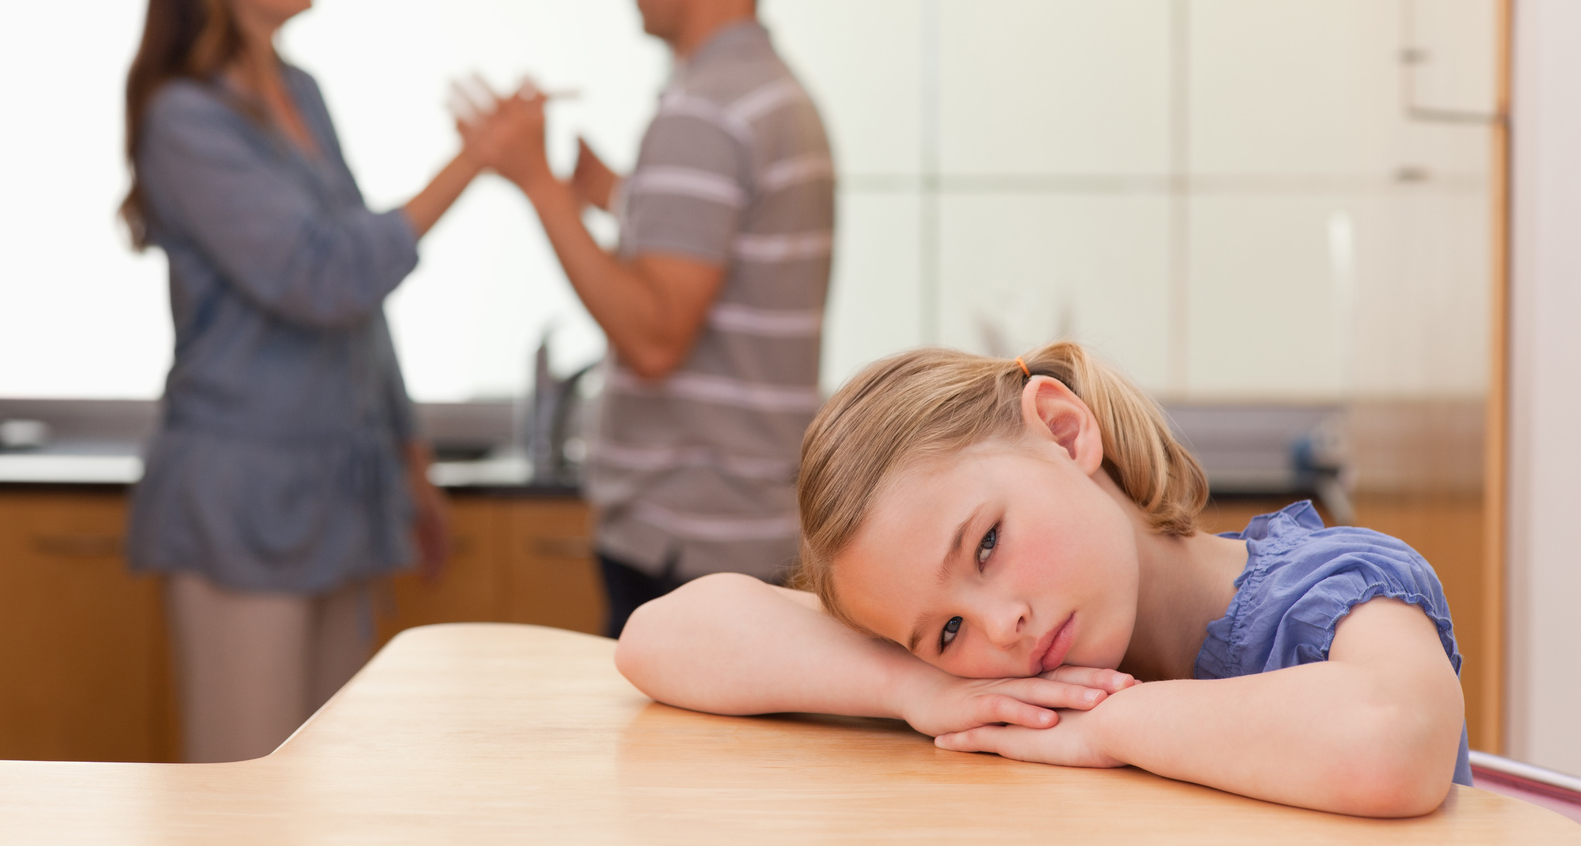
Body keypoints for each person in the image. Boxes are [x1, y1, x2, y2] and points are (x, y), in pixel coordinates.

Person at [614, 343, 1471, 818]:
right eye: (946, 630)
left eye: (985, 545)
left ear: (1064, 433)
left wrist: (1111, 723)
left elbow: (1391, 743)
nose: (1002, 626)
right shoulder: (988, 678)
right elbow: (660, 637)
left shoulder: (1332, 583)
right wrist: (915, 683)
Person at [122, 0, 482, 762]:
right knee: (248, 791)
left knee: (331, 780)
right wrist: (470, 164)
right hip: (244, 495)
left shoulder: (303, 93)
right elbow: (319, 277)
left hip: (341, 486)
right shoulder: (186, 120)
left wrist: (409, 454)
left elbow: (359, 286)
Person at [460, 0, 835, 637]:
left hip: (688, 540)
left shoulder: (703, 113)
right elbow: (722, 259)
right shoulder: (769, 93)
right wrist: (608, 197)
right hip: (741, 529)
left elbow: (656, 333)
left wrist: (536, 185)